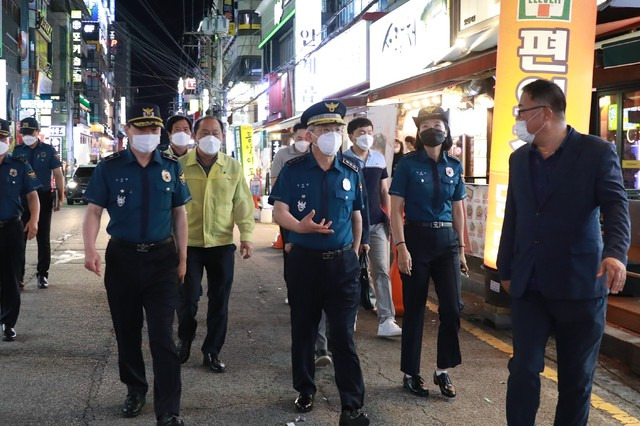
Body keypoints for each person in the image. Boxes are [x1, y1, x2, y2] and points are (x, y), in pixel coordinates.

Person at [497, 79, 630, 426]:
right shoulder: (519, 159)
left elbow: (616, 206)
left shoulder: (596, 152)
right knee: (523, 370)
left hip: (580, 283)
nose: (517, 118)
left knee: (576, 380)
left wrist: (615, 253)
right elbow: (514, 214)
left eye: (521, 110)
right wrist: (505, 268)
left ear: (544, 113)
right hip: (530, 284)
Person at [82, 103, 190, 426]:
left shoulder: (170, 166)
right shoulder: (110, 167)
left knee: (162, 336)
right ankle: (135, 388)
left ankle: (169, 410)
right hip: (123, 259)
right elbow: (93, 212)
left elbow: (179, 214)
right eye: (141, 129)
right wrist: (90, 249)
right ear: (127, 131)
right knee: (126, 332)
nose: (148, 135)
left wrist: (182, 257)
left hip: (161, 260)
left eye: (154, 130)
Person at [270, 100, 370, 426]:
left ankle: (352, 405)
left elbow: (357, 215)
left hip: (342, 265)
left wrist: (354, 251)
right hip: (304, 263)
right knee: (304, 330)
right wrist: (299, 227)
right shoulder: (293, 169)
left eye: (337, 129)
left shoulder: (352, 170)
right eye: (326, 130)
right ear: (311, 135)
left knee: (343, 336)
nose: (333, 135)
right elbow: (278, 211)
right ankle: (305, 388)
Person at [389, 106, 467, 398]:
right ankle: (411, 372)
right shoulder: (407, 165)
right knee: (415, 309)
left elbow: (458, 209)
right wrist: (401, 247)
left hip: (446, 241)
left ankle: (443, 370)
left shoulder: (454, 165)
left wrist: (460, 248)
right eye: (426, 125)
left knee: (452, 308)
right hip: (416, 238)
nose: (432, 128)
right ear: (419, 132)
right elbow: (396, 210)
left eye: (438, 123)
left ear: (446, 130)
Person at [176, 116, 255, 373]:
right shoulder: (179, 165)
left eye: (216, 132)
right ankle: (185, 337)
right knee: (187, 299)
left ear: (222, 136)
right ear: (195, 136)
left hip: (221, 244)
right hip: (189, 245)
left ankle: (212, 350)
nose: (211, 136)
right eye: (205, 131)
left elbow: (242, 202)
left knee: (219, 300)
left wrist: (246, 235)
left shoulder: (232, 167)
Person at [344, 117, 401, 337]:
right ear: (350, 136)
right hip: (350, 225)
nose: (366, 135)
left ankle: (387, 319)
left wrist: (389, 219)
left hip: (377, 223)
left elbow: (384, 191)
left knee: (381, 270)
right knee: (350, 271)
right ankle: (350, 317)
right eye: (360, 132)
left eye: (369, 131)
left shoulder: (378, 158)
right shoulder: (343, 160)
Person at [0, 118, 41, 342]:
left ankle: (8, 323)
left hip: (12, 228)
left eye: (2, 138)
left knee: (11, 277)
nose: (0, 142)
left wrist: (34, 220)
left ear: (9, 140)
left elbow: (32, 196)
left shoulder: (19, 165)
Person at [13, 117, 64, 289]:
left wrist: (61, 196)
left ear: (37, 132)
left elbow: (57, 174)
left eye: (30, 132)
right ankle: (18, 276)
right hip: (22, 199)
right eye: (24, 133)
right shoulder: (17, 151)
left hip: (43, 197)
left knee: (43, 238)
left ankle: (43, 274)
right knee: (20, 238)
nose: (26, 136)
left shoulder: (48, 150)